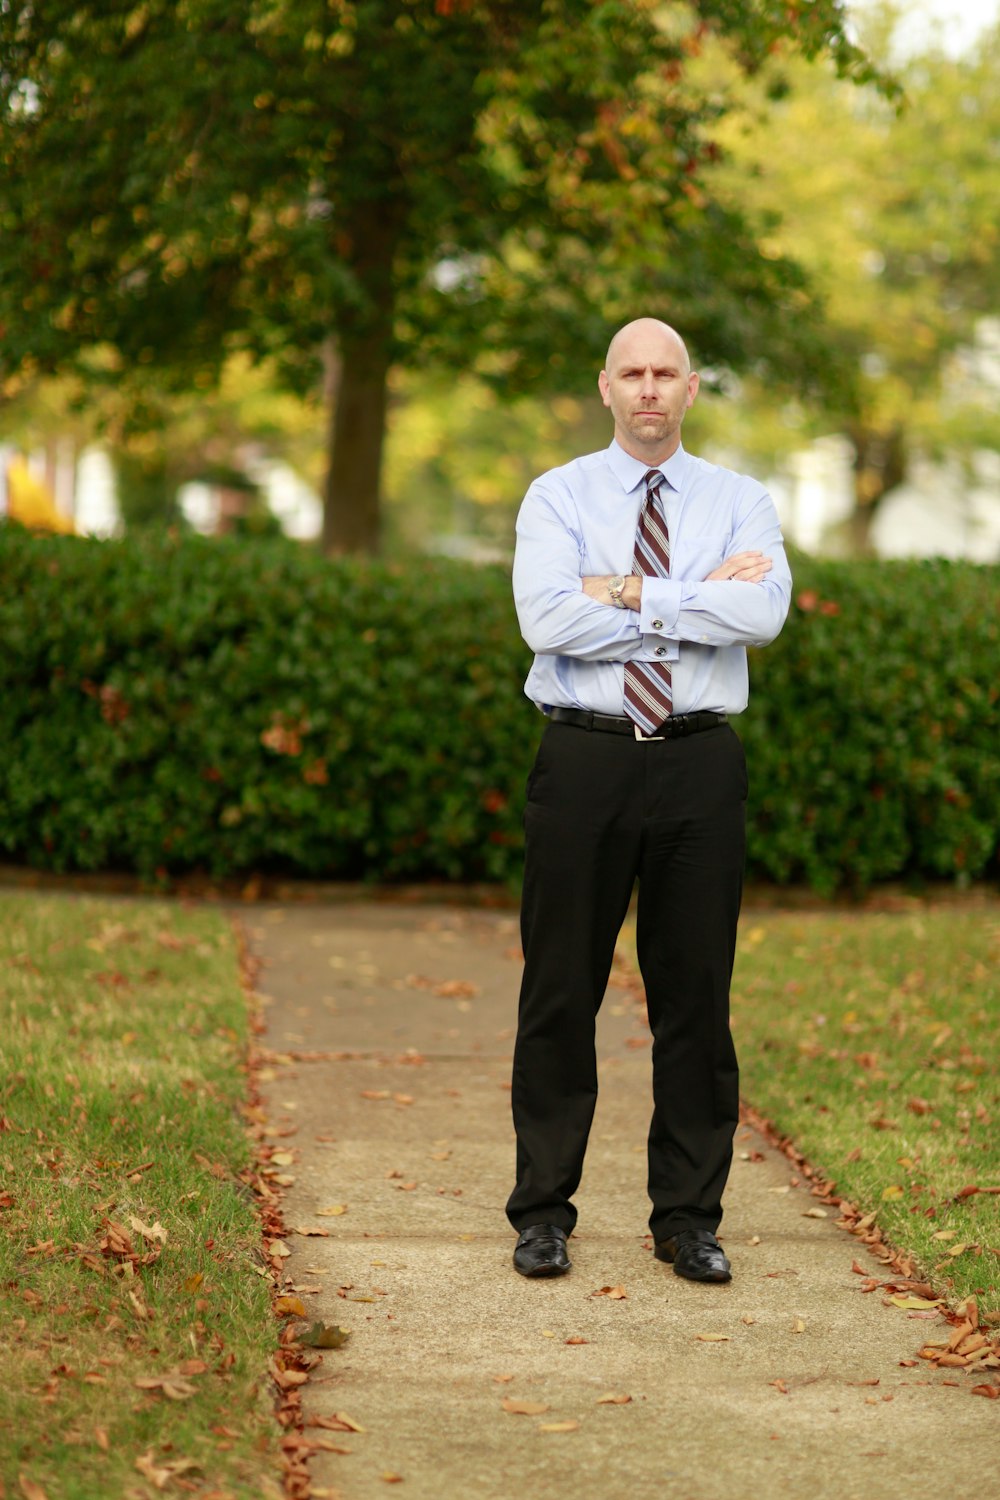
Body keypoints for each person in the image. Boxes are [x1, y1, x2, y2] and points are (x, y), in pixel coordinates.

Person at [507, 317, 791, 1284]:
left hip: (698, 766)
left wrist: (624, 592)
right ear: (605, 387)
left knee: (696, 1000)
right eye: (632, 372)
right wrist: (690, 593)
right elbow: (545, 615)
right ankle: (542, 1214)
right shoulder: (558, 495)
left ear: (693, 388)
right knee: (558, 994)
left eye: (666, 372)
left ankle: (687, 1220)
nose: (649, 389)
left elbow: (761, 613)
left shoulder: (741, 500)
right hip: (582, 760)